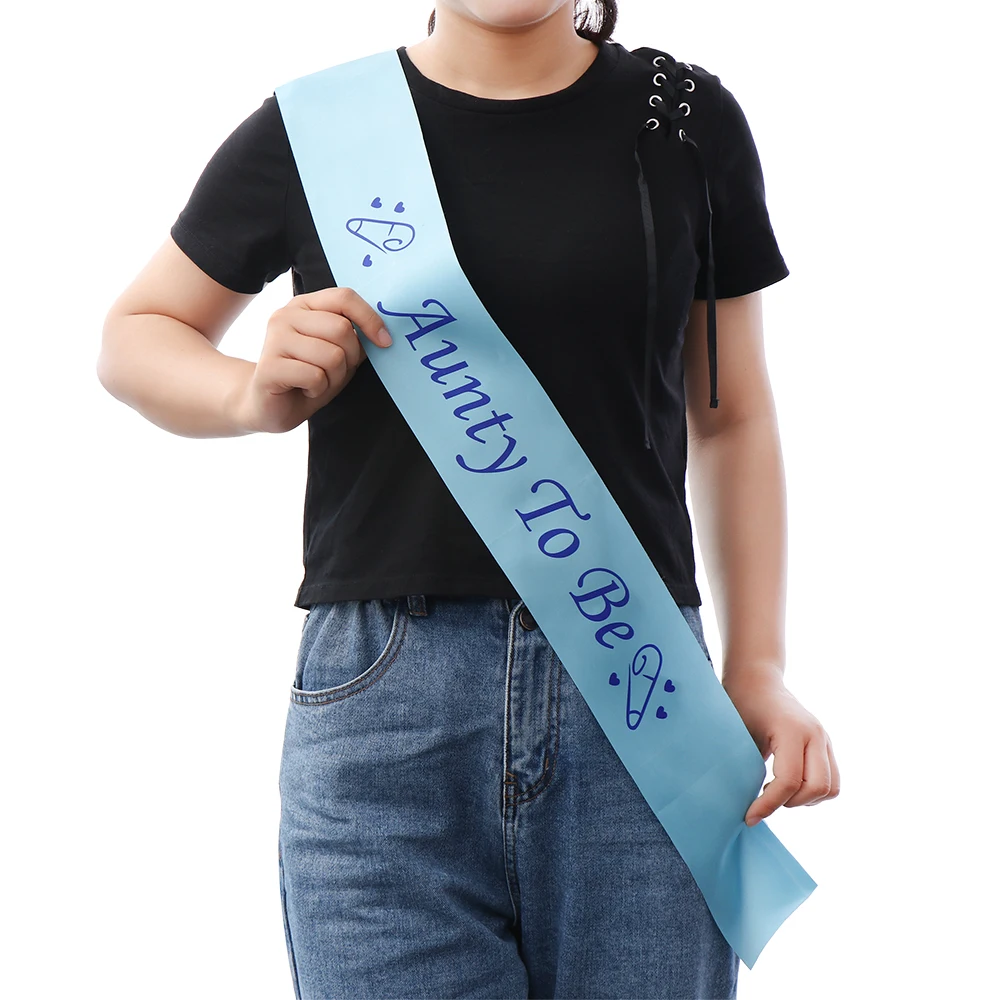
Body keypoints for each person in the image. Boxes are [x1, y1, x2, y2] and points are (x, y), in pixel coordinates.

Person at [97, 1, 841, 997]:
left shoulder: (684, 122)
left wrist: (757, 667)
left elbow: (732, 416)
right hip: (384, 710)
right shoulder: (321, 128)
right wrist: (249, 393)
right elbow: (137, 334)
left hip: (642, 699)